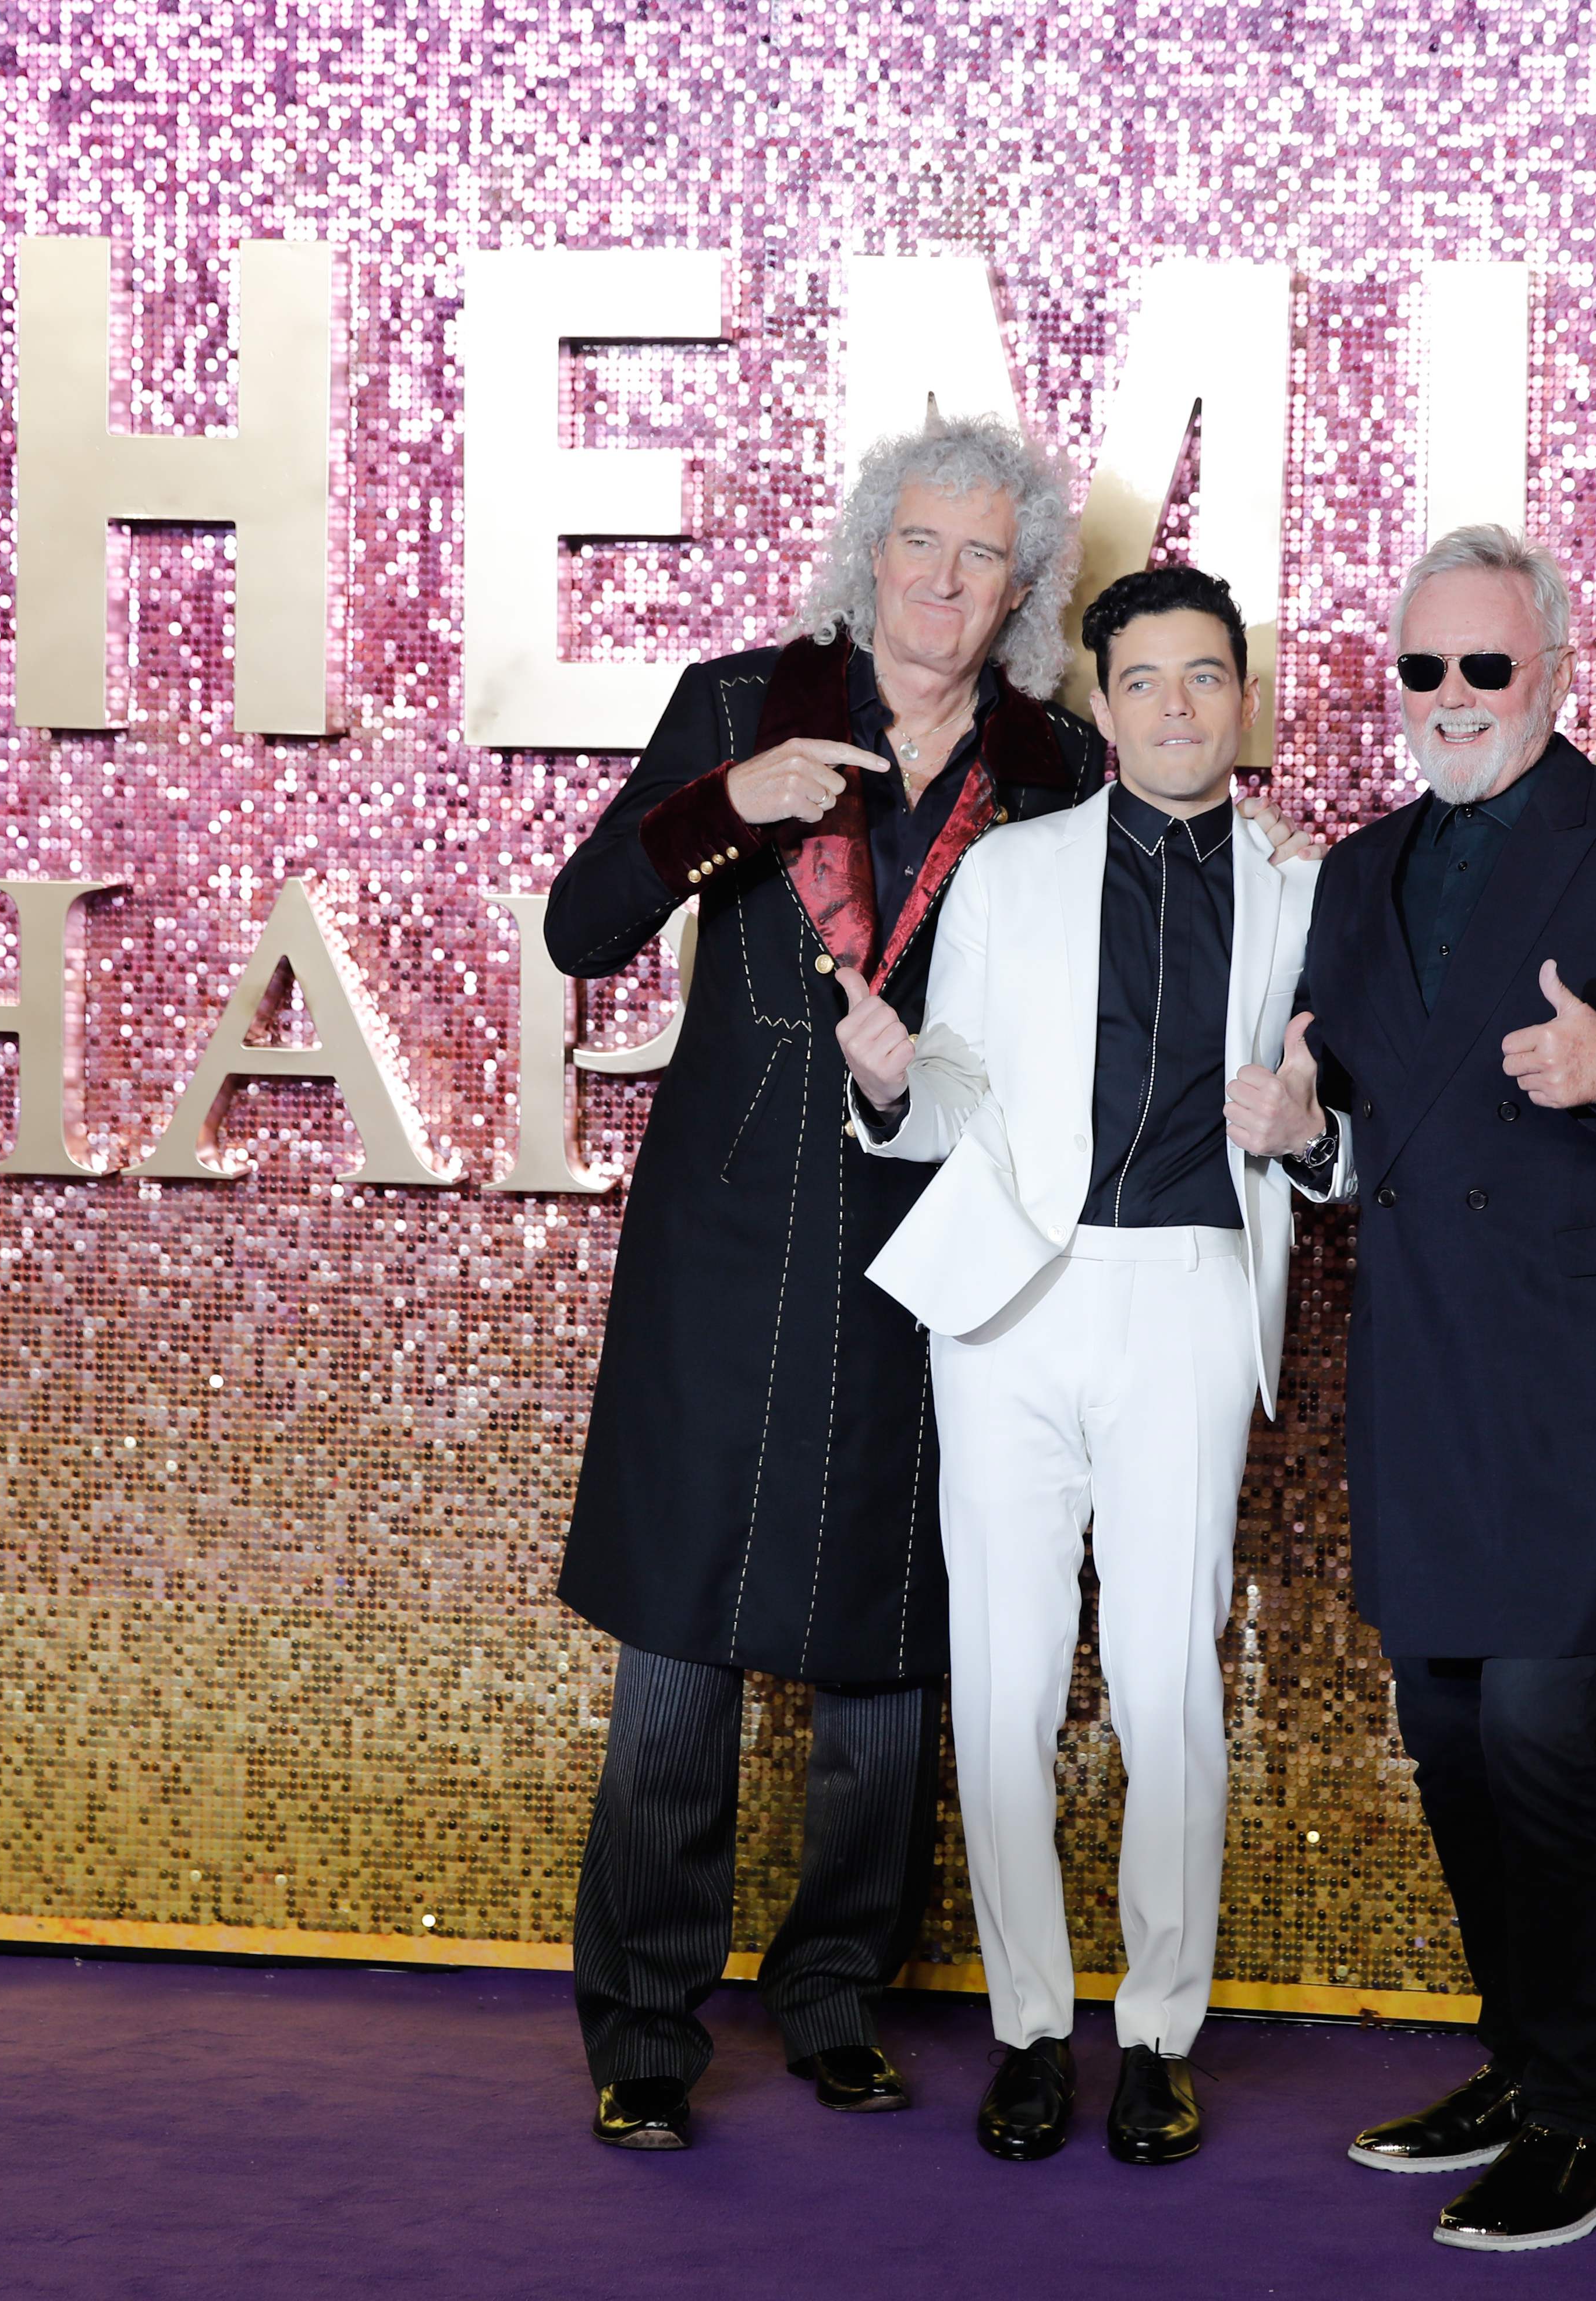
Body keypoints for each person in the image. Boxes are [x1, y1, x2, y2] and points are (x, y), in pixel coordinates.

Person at [1222, 525, 1596, 2249]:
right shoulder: (1357, 872)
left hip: (1580, 1375)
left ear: (1557, 673)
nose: (1455, 697)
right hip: (1422, 1366)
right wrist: (1302, 1134)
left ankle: (1589, 2124)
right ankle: (1523, 2060)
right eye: (1426, 670)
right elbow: (1374, 1133)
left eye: (1489, 666)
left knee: (1542, 1733)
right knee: (1454, 1731)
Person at [540, 415, 1104, 2150]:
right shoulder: (738, 706)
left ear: (1021, 594)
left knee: (891, 1647)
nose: (942, 585)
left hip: (935, 1242)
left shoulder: (1055, 766)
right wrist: (728, 811)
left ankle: (839, 1999)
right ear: (870, 554)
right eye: (918, 546)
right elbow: (581, 930)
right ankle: (644, 2025)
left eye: (981, 559)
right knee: (682, 1644)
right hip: (724, 1238)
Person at [839, 565, 1324, 2168]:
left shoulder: (1305, 890)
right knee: (1007, 1676)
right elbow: (951, 1095)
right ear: (1100, 704)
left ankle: (1161, 2036)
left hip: (1190, 1292)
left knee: (1169, 1683)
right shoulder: (1008, 875)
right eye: (1147, 681)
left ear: (1241, 700)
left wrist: (1310, 1138)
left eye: (1207, 678)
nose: (1178, 706)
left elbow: (1346, 1118)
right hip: (1012, 1309)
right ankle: (1034, 2029)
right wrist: (892, 1083)